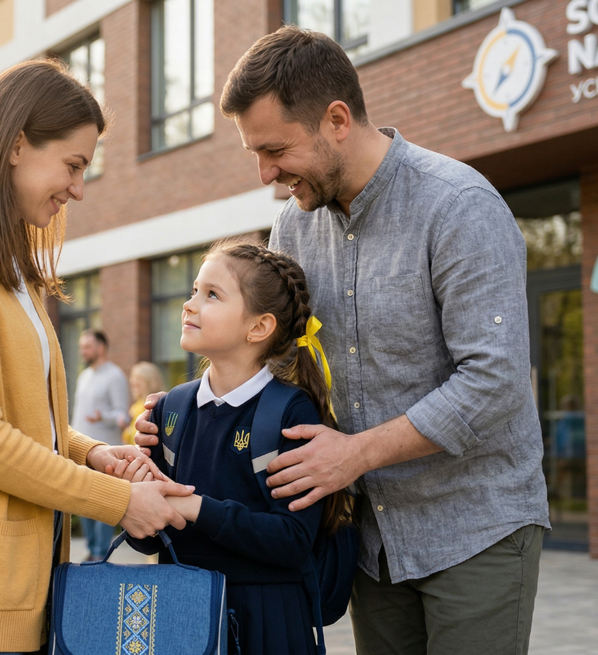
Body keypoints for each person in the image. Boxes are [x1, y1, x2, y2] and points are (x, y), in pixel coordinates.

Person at [137, 27, 550, 654]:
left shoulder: (459, 205)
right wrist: (176, 423)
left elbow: (493, 381)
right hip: (369, 542)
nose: (267, 175)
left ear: (336, 120)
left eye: (275, 149)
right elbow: (267, 360)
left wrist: (355, 454)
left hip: (475, 527)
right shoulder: (291, 227)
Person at [0, 59, 191, 655]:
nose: (77, 188)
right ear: (17, 144)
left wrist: (95, 454)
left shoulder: (7, 267)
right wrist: (120, 502)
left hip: (15, 589)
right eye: (72, 165)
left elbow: (26, 421)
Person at [128, 241, 346, 654]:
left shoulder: (290, 411)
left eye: (212, 294)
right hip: (184, 617)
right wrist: (132, 496)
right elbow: (149, 541)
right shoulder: (169, 408)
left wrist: (195, 508)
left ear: (259, 327)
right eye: (194, 290)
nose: (189, 304)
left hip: (269, 623)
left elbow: (292, 539)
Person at [70, 329, 131, 561]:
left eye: (87, 346)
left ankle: (100, 554)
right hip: (81, 454)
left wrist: (102, 416)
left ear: (100, 348)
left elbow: (122, 416)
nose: (82, 351)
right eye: (81, 347)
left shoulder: (115, 376)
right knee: (82, 504)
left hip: (105, 453)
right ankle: (92, 550)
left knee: (102, 504)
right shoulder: (84, 376)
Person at [121, 362, 166, 446]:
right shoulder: (135, 407)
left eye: (138, 379)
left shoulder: (155, 405)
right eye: (133, 378)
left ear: (150, 381)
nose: (133, 382)